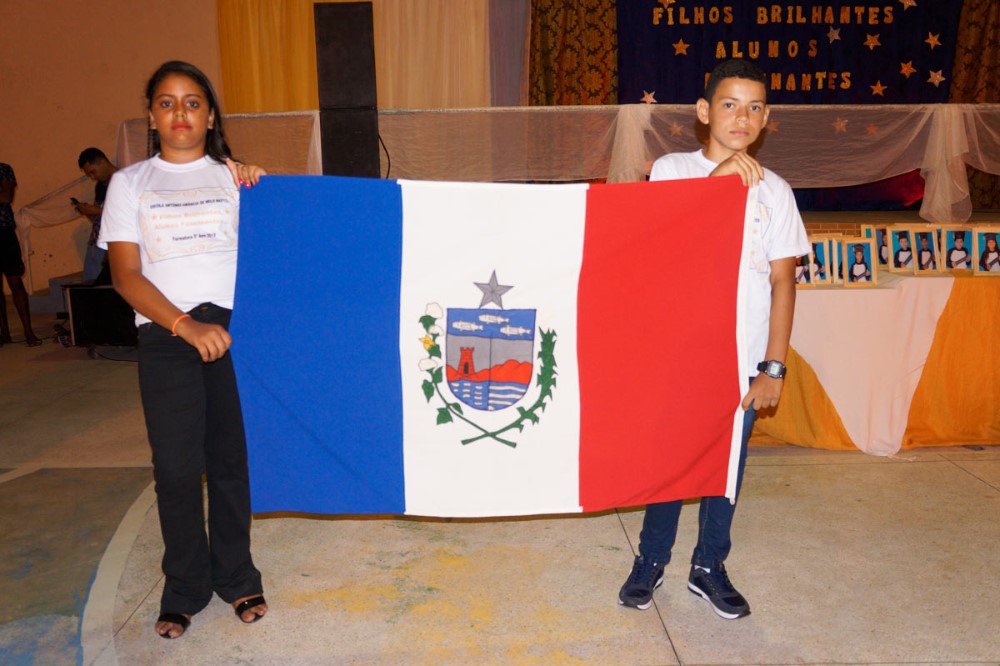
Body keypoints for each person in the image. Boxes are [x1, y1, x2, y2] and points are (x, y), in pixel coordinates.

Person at [618, 60, 809, 619]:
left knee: (727, 467)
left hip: (743, 358)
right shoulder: (673, 170)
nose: (741, 117)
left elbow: (783, 281)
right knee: (672, 461)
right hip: (680, 354)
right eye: (729, 104)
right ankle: (652, 559)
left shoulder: (777, 191)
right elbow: (665, 249)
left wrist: (772, 367)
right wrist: (718, 183)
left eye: (754, 107)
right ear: (704, 112)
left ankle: (709, 565)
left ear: (766, 118)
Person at [98, 60, 268, 639]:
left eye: (192, 102)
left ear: (210, 115)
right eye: (166, 103)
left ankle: (237, 575)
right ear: (151, 116)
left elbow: (277, 246)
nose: (180, 113)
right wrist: (184, 325)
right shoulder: (129, 183)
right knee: (175, 468)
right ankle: (185, 586)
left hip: (236, 330)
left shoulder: (235, 178)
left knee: (229, 462)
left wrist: (264, 188)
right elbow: (125, 274)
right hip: (167, 333)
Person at [0, 162, 42, 347]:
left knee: (15, 282)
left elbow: (6, 197)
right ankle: (4, 333)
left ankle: (28, 331)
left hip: (4, 235)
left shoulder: (3, 169)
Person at [74, 147, 118, 281]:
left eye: (93, 172)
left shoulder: (123, 181)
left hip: (116, 242)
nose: (93, 177)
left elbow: (128, 213)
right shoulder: (100, 186)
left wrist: (97, 211)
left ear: (102, 162)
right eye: (89, 175)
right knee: (93, 281)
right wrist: (88, 212)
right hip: (98, 240)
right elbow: (99, 218)